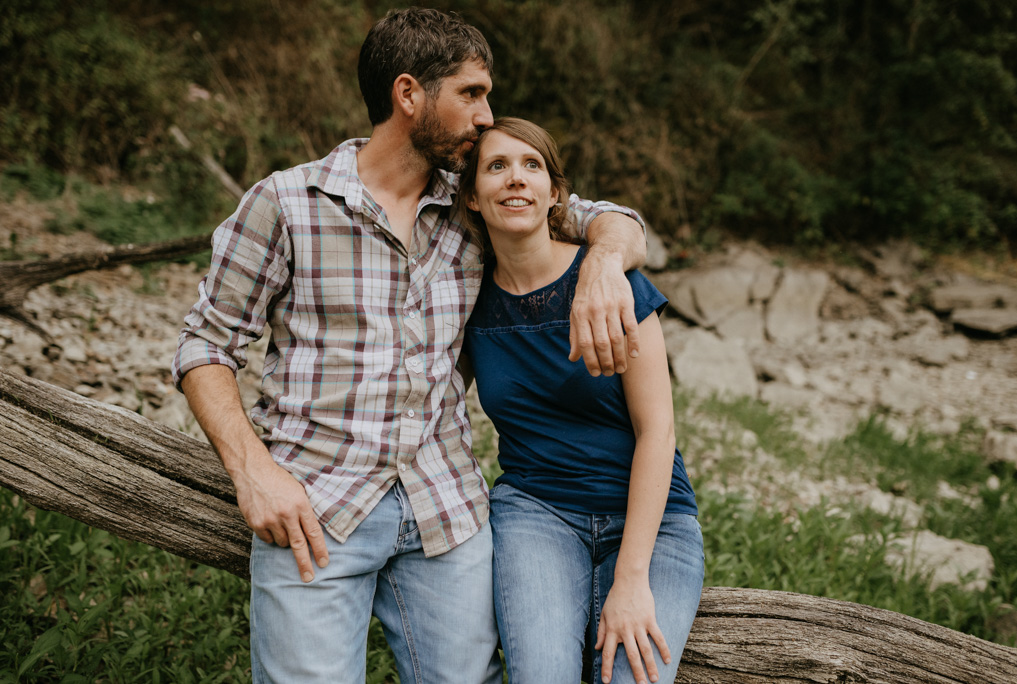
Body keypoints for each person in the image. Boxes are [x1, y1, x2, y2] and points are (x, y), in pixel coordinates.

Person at [171, 8, 647, 684]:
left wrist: (601, 267)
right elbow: (204, 345)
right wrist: (254, 474)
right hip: (314, 507)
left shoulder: (477, 200)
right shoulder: (288, 203)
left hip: (445, 510)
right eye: (471, 94)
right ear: (408, 95)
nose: (488, 117)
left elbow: (617, 221)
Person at [458, 117, 703, 684]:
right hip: (535, 513)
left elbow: (658, 433)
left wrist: (632, 579)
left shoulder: (612, 286)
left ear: (555, 195)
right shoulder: (466, 302)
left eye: (531, 166)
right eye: (497, 167)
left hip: (654, 521)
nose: (515, 180)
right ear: (472, 196)